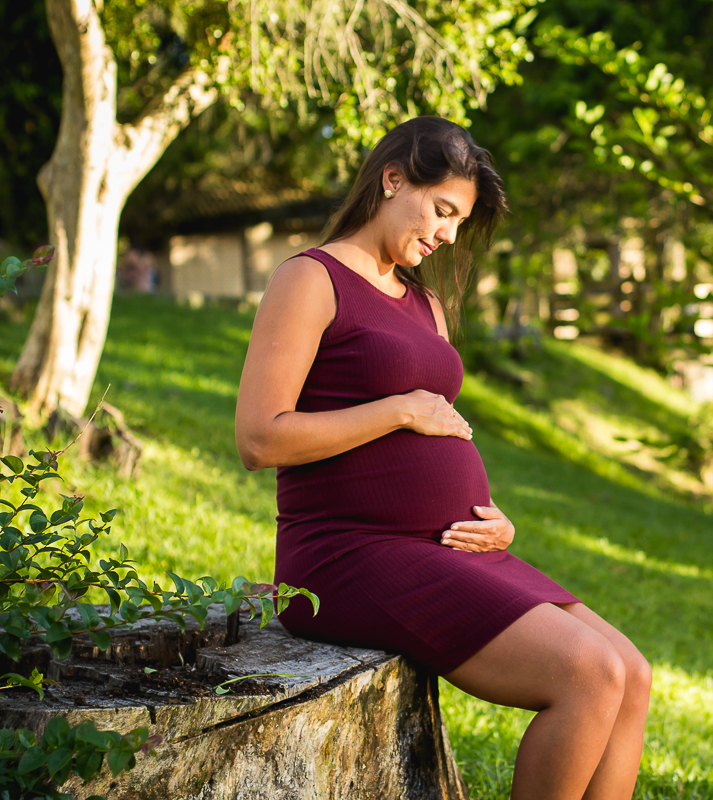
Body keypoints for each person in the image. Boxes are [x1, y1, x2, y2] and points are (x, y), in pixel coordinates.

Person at [234, 116, 651, 800]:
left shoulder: (425, 302)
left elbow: (442, 427)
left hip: (449, 548)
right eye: (444, 210)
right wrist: (397, 409)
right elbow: (259, 438)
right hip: (349, 554)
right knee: (589, 674)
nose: (450, 234)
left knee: (631, 675)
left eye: (460, 221)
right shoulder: (310, 278)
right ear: (393, 179)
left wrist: (490, 514)